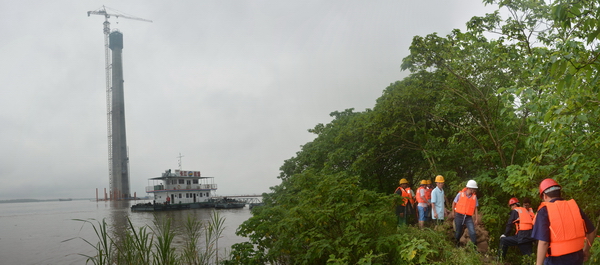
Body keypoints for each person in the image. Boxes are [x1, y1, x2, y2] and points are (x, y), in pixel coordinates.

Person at [532, 178, 597, 265]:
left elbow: (544, 242)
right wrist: (586, 250)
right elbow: (592, 232)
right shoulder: (574, 207)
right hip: (577, 257)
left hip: (556, 260)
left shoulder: (544, 210)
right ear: (560, 193)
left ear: (545, 196)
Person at [453, 179, 479, 247]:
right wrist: (453, 212)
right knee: (458, 233)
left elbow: (476, 208)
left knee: (472, 232)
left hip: (468, 217)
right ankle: (456, 245)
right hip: (459, 216)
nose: (474, 191)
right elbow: (454, 202)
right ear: (469, 188)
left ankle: (474, 248)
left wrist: (476, 219)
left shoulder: (474, 197)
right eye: (474, 189)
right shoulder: (460, 194)